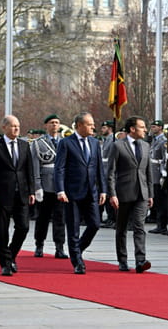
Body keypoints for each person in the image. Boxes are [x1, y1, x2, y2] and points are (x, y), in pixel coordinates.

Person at [54, 112, 107, 275]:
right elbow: (59, 168)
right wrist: (60, 190)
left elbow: (99, 168)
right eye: (89, 124)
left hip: (91, 191)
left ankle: (76, 249)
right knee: (73, 228)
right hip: (72, 192)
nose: (93, 127)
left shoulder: (94, 142)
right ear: (79, 126)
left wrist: (103, 189)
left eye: (93, 124)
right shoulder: (66, 143)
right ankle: (77, 262)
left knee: (95, 224)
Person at [0, 115, 35, 276]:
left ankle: (11, 254)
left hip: (21, 193)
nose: (16, 129)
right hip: (2, 194)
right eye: (13, 126)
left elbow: (29, 170)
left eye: (18, 126)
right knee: (2, 230)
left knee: (23, 227)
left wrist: (32, 191)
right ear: (4, 127)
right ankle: (5, 264)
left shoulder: (24, 145)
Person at [108, 116, 154, 273]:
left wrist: (150, 194)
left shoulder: (146, 146)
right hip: (123, 193)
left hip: (142, 193)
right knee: (121, 228)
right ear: (132, 129)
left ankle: (141, 260)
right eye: (142, 127)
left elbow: (148, 172)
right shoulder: (118, 146)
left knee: (139, 226)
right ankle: (122, 259)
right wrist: (112, 194)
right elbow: (111, 172)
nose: (145, 130)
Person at [31, 114, 68, 259]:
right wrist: (37, 185)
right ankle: (39, 245)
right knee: (43, 218)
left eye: (57, 123)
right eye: (52, 123)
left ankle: (60, 247)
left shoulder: (65, 142)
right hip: (45, 185)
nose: (54, 125)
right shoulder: (38, 143)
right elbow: (35, 165)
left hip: (61, 186)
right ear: (46, 125)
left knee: (60, 218)